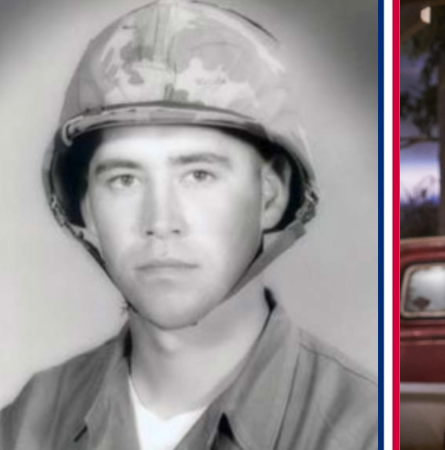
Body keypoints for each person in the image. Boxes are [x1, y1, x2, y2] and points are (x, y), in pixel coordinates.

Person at [0, 1, 378, 449]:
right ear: (84, 207)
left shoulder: (365, 428)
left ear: (271, 197)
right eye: (124, 179)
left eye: (199, 175)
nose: (160, 222)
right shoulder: (27, 424)